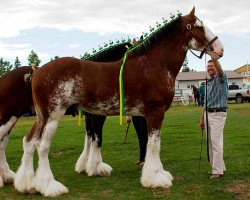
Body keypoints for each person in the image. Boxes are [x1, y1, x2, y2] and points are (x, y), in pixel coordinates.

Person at [199, 59, 228, 179]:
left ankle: (217, 171)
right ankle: (219, 167)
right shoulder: (209, 82)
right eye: (208, 66)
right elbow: (207, 103)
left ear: (216, 66)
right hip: (208, 114)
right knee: (210, 142)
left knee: (216, 142)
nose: (209, 67)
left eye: (212, 65)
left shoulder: (222, 78)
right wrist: (202, 119)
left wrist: (213, 56)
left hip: (218, 114)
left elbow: (220, 70)